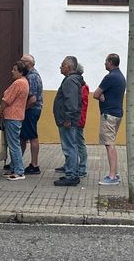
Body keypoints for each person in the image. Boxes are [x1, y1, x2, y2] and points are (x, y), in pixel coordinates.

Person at [94, 53, 126, 186]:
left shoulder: (110, 77)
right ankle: (114, 172)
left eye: (106, 61)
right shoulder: (121, 76)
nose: (104, 63)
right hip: (117, 113)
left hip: (109, 114)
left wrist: (101, 97)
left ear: (111, 62)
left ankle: (112, 176)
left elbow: (96, 94)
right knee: (111, 142)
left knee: (109, 144)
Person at [53, 56, 84, 186]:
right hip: (68, 119)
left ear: (68, 67)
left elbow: (71, 102)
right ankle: (73, 173)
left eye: (62, 65)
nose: (60, 67)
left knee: (69, 147)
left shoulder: (70, 81)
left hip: (67, 121)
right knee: (72, 146)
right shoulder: (72, 80)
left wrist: (67, 118)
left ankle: (71, 175)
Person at [0, 60, 30, 180]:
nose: (12, 71)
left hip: (13, 116)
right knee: (13, 143)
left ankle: (19, 171)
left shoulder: (18, 83)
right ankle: (13, 167)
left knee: (13, 144)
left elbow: (7, 99)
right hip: (17, 115)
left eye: (15, 69)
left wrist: (0, 109)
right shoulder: (25, 82)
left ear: (21, 72)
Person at [19, 54, 44, 175]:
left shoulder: (32, 77)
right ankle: (17, 161)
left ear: (29, 63)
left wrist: (22, 109)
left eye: (23, 61)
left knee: (32, 136)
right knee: (23, 137)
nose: (21, 62)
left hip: (32, 109)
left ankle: (34, 164)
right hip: (32, 109)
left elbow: (33, 98)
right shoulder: (29, 75)